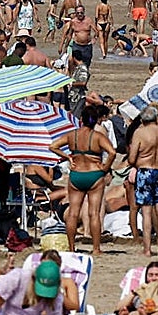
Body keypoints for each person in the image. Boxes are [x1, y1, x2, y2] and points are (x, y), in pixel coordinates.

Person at [49, 100, 115, 256]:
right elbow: (112, 152)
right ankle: (96, 248)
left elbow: (52, 146)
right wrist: (105, 168)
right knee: (94, 212)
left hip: (77, 173)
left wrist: (67, 157)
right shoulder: (98, 136)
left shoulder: (73, 135)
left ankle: (71, 247)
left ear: (82, 119)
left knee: (73, 212)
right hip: (94, 174)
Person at [127, 106, 158, 256]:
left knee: (146, 211)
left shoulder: (140, 133)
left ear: (142, 119)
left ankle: (147, 249)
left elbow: (132, 159)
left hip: (145, 171)